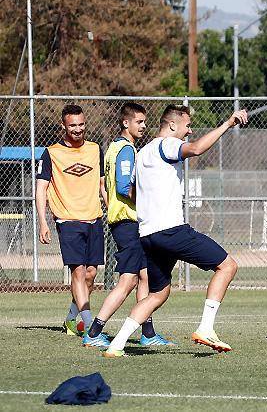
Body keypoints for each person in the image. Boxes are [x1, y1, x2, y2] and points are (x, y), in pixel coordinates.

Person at [103, 105, 248, 358]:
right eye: (187, 126)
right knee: (227, 266)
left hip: (147, 235)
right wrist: (227, 124)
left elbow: (131, 191)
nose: (190, 131)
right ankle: (205, 328)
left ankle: (117, 344)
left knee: (158, 294)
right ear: (172, 125)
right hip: (171, 231)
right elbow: (197, 149)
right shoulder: (167, 144)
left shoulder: (143, 152)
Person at [83, 103, 174, 347]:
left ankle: (148, 333)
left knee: (144, 277)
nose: (144, 126)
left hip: (126, 221)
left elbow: (106, 185)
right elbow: (124, 187)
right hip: (127, 222)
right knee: (128, 280)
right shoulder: (125, 150)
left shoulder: (114, 148)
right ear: (126, 123)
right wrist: (148, 201)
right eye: (139, 121)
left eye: (145, 122)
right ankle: (94, 332)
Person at [36, 104, 107, 335]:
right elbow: (41, 189)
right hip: (67, 220)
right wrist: (43, 222)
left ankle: (70, 319)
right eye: (73, 125)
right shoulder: (51, 153)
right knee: (78, 272)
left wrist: (113, 211)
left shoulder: (95, 149)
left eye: (81, 124)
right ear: (63, 126)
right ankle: (90, 328)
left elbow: (103, 185)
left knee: (91, 274)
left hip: (94, 219)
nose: (78, 129)